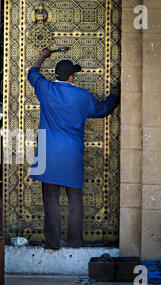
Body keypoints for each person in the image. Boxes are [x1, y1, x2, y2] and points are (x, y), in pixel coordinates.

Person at [27, 49, 120, 250]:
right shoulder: (82, 96)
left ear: (57, 76)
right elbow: (103, 110)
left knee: (50, 201)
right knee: (75, 200)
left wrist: (43, 56)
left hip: (48, 154)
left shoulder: (46, 89)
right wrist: (114, 96)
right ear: (71, 77)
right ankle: (76, 241)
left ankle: (52, 243)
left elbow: (32, 73)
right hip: (72, 155)